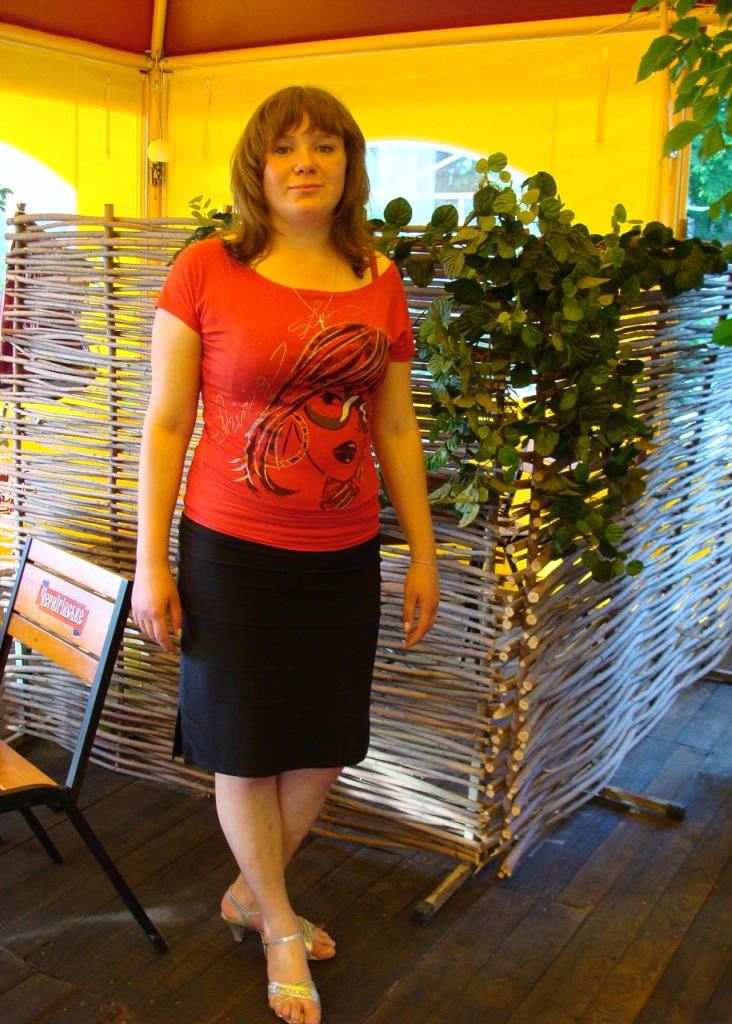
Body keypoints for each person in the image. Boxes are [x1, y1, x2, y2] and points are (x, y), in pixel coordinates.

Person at [131, 85, 439, 1024]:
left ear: (350, 164)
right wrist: (152, 560)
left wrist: (422, 552)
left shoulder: (378, 277)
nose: (306, 161)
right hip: (230, 553)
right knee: (244, 745)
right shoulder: (206, 269)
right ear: (256, 167)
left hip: (343, 553)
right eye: (286, 147)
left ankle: (247, 893)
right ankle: (276, 923)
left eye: (326, 145)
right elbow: (166, 422)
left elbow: (394, 425)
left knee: (324, 743)